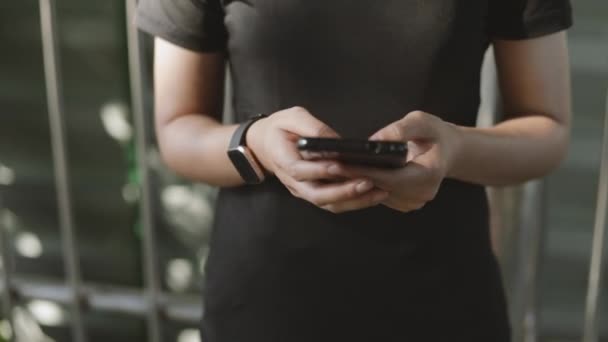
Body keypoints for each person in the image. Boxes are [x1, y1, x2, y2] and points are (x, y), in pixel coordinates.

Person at [135, 1, 572, 341]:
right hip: (264, 304)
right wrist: (256, 144)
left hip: (443, 303)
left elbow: (547, 129)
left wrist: (455, 149)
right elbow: (178, 129)